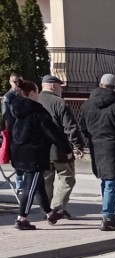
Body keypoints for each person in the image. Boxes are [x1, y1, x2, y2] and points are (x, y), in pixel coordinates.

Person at [2, 79, 72, 230]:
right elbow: (53, 133)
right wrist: (66, 149)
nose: (38, 95)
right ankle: (22, 219)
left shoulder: (12, 109)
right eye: (37, 92)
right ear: (32, 93)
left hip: (18, 152)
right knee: (30, 186)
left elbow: (6, 128)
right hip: (34, 155)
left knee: (38, 184)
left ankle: (49, 213)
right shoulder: (38, 112)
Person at [79, 73, 115, 231]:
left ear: (100, 84)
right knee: (112, 182)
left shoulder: (86, 105)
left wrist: (90, 142)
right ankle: (108, 215)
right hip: (113, 147)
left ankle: (109, 213)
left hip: (96, 147)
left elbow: (82, 128)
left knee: (105, 180)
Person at [39, 74, 85, 223]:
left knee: (46, 180)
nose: (61, 91)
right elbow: (70, 126)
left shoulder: (34, 100)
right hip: (59, 149)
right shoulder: (59, 103)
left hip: (40, 149)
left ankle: (47, 211)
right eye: (60, 87)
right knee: (67, 177)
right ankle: (57, 207)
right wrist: (77, 144)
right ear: (53, 86)